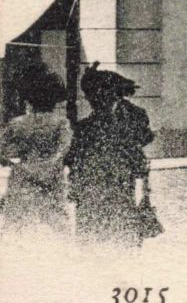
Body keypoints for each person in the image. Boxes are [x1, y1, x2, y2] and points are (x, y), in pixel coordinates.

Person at [65, 65, 154, 246]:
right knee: (122, 241)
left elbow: (71, 161)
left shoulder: (82, 128)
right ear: (116, 98)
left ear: (90, 99)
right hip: (119, 190)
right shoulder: (125, 127)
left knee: (91, 242)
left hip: (90, 194)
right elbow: (138, 161)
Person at [0, 66, 73, 238]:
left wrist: (16, 163)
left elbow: (2, 150)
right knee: (58, 230)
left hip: (23, 180)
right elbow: (63, 149)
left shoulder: (17, 124)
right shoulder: (61, 123)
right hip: (51, 181)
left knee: (17, 230)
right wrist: (46, 167)